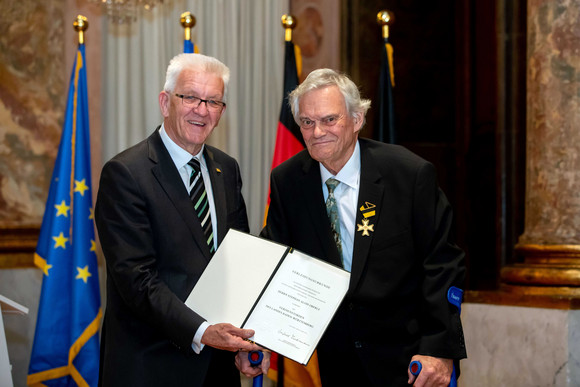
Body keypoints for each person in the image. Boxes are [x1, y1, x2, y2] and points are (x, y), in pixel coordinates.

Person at [257, 68, 467, 386]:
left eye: (329, 120)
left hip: (409, 362)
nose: (316, 132)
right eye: (307, 122)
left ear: (356, 120)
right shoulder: (287, 181)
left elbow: (442, 264)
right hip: (333, 362)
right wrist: (257, 335)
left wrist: (438, 349)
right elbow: (275, 261)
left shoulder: (409, 175)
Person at [95, 53, 267, 386]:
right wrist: (204, 332)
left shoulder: (226, 168)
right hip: (152, 367)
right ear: (165, 102)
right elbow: (137, 280)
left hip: (217, 368)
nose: (201, 110)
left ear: (221, 111)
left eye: (213, 101)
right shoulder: (126, 174)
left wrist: (243, 340)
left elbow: (239, 260)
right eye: (190, 97)